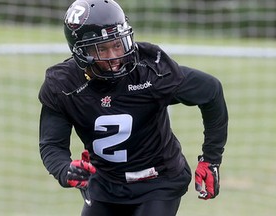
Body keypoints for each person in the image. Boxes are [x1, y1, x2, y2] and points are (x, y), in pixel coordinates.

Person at [38, 0, 228, 215]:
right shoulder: (64, 85)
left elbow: (211, 91)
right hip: (105, 184)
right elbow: (52, 145)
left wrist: (211, 159)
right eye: (101, 48)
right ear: (81, 51)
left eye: (117, 44)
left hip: (159, 181)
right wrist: (66, 170)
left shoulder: (149, 70)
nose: (114, 57)